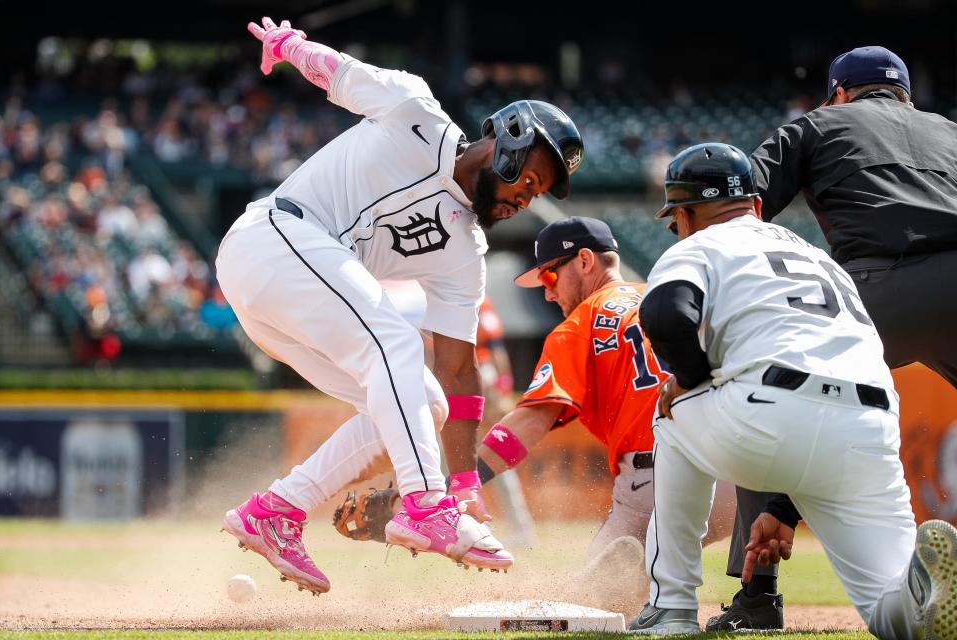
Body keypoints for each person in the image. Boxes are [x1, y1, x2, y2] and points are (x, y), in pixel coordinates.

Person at [216, 16, 584, 595]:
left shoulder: (467, 252)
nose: (527, 198)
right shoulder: (416, 113)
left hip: (289, 300)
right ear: (509, 148)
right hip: (270, 239)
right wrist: (289, 46)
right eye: (530, 182)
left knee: (424, 402)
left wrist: (465, 481)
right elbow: (340, 76)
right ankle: (423, 505)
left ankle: (276, 511)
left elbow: (460, 369)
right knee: (394, 341)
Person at [630, 141, 957, 639]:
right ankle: (916, 605)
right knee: (894, 612)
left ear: (688, 213)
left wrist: (689, 380)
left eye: (676, 219)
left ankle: (670, 605)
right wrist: (781, 508)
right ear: (756, 206)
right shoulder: (817, 256)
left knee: (670, 412)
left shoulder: (698, 244)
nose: (677, 229)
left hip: (769, 410)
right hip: (869, 426)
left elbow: (665, 315)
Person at [333, 217, 739, 617]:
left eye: (549, 277)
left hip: (659, 482)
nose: (547, 294)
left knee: (586, 610)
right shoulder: (665, 299)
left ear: (584, 261)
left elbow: (529, 424)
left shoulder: (581, 324)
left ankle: (646, 566)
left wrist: (442, 490)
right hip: (738, 472)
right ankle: (753, 596)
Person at [751, 45, 957, 388]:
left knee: (781, 387)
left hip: (877, 290)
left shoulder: (816, 122)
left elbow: (743, 200)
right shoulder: (950, 130)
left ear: (841, 94)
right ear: (907, 98)